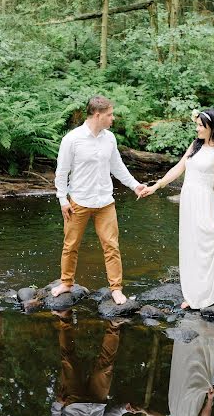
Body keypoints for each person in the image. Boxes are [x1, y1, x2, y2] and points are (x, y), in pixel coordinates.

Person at [139, 107, 214, 313]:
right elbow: (178, 168)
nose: (197, 128)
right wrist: (155, 186)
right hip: (188, 201)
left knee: (210, 247)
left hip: (204, 203)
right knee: (192, 247)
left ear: (212, 127)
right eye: (197, 125)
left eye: (201, 126)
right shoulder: (195, 145)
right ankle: (196, 295)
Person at [52, 95, 146, 305]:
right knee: (70, 245)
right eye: (110, 115)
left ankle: (116, 289)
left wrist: (134, 185)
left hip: (105, 202)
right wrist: (62, 200)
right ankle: (66, 283)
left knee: (111, 246)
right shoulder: (72, 139)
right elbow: (61, 172)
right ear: (97, 115)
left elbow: (117, 166)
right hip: (78, 202)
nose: (113, 118)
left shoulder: (109, 138)